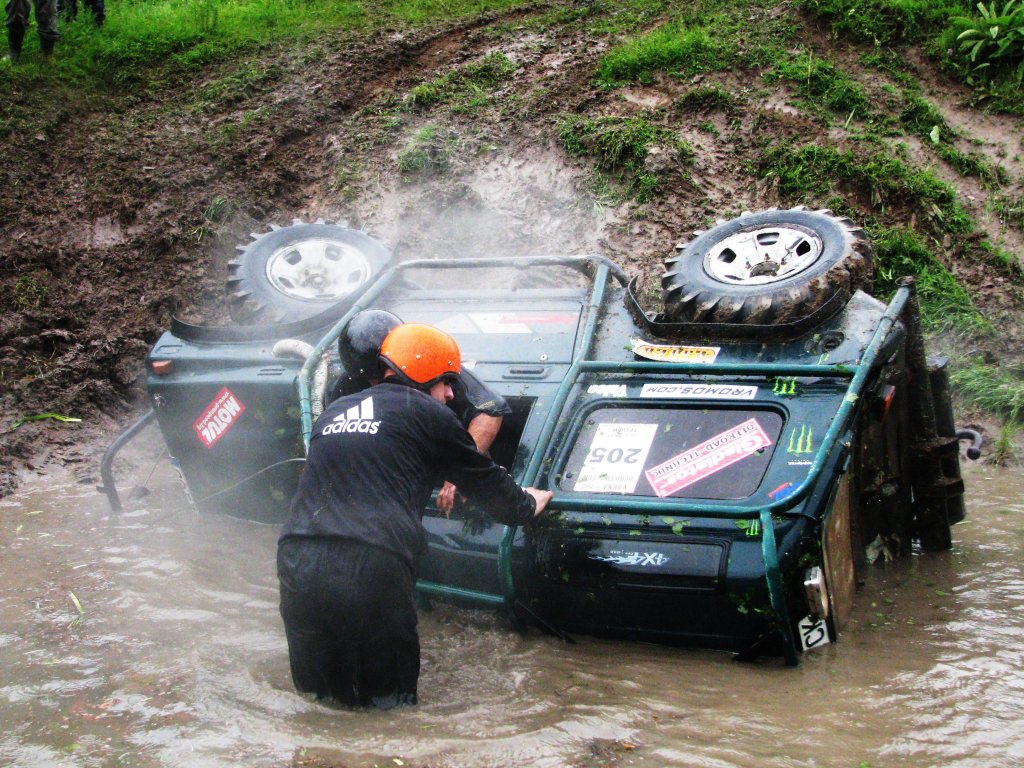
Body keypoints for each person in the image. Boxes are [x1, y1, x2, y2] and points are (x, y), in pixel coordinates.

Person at [277, 323, 552, 708]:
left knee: (316, 696)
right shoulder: (427, 413)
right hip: (372, 561)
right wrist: (529, 502)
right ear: (426, 375)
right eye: (447, 383)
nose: (452, 394)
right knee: (389, 704)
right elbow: (489, 486)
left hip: (297, 558)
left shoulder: (334, 412)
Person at [332, 309, 511, 514]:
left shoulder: (435, 365)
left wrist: (458, 474)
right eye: (377, 379)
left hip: (450, 452)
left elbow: (489, 410)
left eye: (389, 371)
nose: (386, 383)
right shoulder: (345, 388)